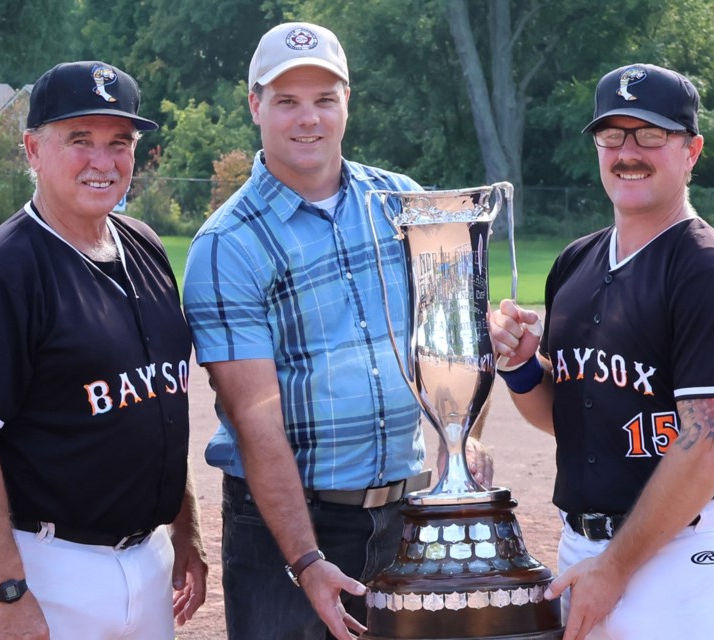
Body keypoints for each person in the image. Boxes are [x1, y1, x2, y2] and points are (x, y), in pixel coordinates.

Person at [183, 22, 493, 640]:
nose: (309, 119)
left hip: (405, 514)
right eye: (287, 101)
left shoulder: (401, 201)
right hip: (288, 529)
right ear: (255, 106)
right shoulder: (226, 246)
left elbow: (452, 344)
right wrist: (306, 560)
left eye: (325, 99)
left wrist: (464, 441)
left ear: (347, 102)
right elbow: (255, 417)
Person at [490, 63, 714, 640]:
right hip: (584, 553)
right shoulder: (575, 263)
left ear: (691, 150)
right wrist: (522, 368)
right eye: (612, 135)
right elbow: (566, 420)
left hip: (685, 561)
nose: (627, 152)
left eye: (650, 134)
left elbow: (711, 447)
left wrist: (615, 568)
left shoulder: (709, 271)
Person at [0, 60, 208, 640]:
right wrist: (6, 592)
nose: (103, 161)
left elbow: (157, 403)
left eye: (119, 142)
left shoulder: (146, 248)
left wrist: (186, 530)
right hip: (39, 561)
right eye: (79, 139)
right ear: (33, 149)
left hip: (145, 557)